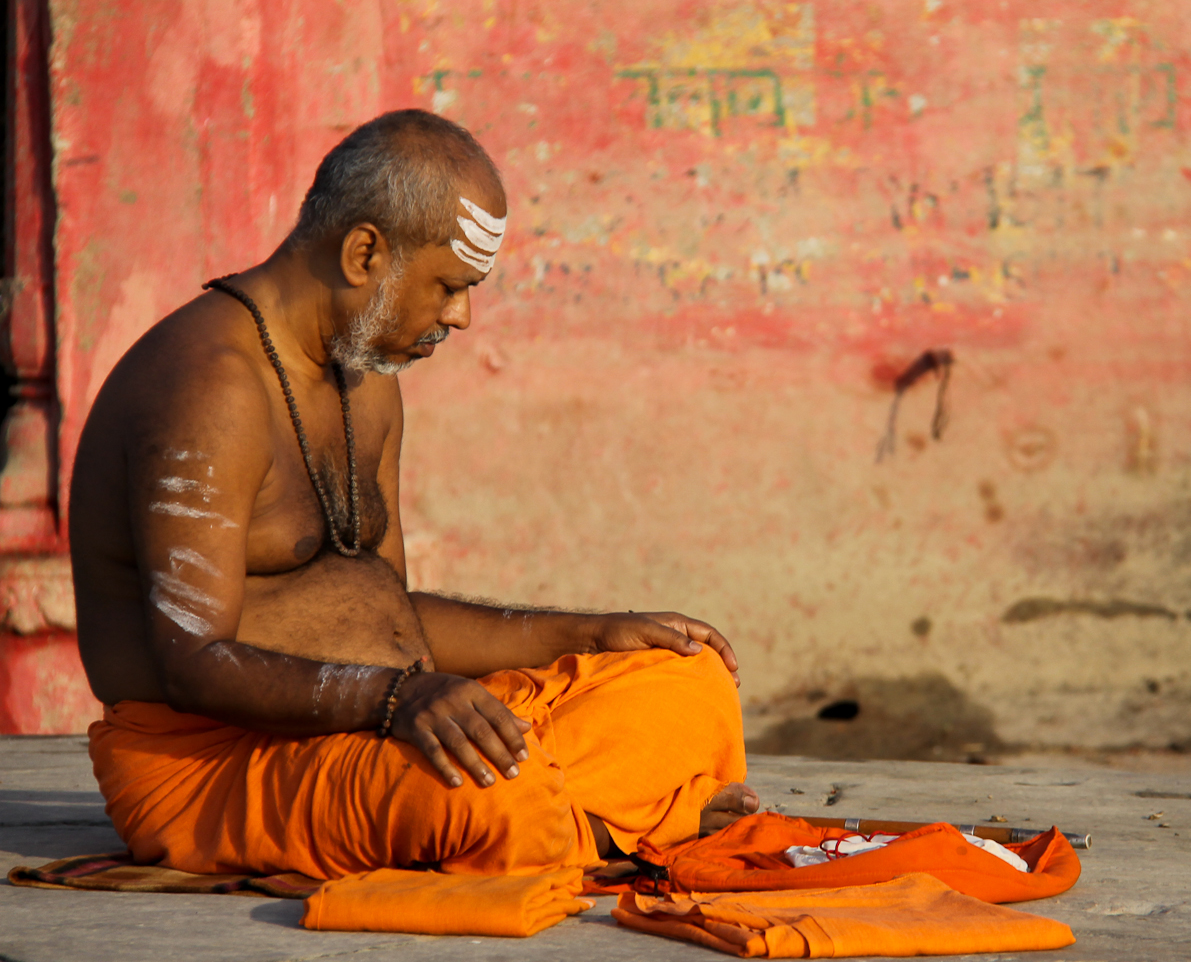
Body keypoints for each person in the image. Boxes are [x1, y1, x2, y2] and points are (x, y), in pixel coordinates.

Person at [69, 109, 758, 882]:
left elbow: (390, 614)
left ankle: (589, 814)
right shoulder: (209, 385)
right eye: (450, 287)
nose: (461, 316)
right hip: (213, 768)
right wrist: (398, 700)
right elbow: (190, 664)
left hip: (381, 726)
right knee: (496, 799)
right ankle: (610, 819)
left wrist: (591, 631)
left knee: (689, 679)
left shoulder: (367, 380)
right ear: (365, 252)